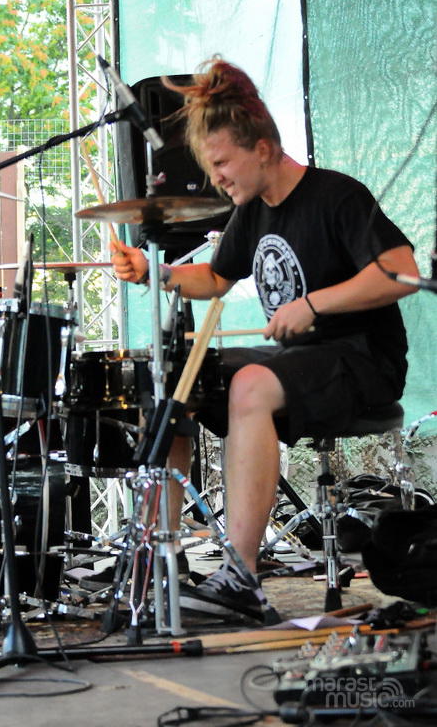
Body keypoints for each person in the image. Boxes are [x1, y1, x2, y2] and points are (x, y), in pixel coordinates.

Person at [110, 57, 419, 621]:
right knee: (173, 379)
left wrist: (314, 303)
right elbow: (215, 279)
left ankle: (242, 577)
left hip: (362, 362)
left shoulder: (337, 196)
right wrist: (155, 272)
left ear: (263, 148)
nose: (217, 179)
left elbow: (401, 271)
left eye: (222, 163)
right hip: (298, 360)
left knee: (250, 383)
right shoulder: (253, 211)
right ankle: (161, 560)